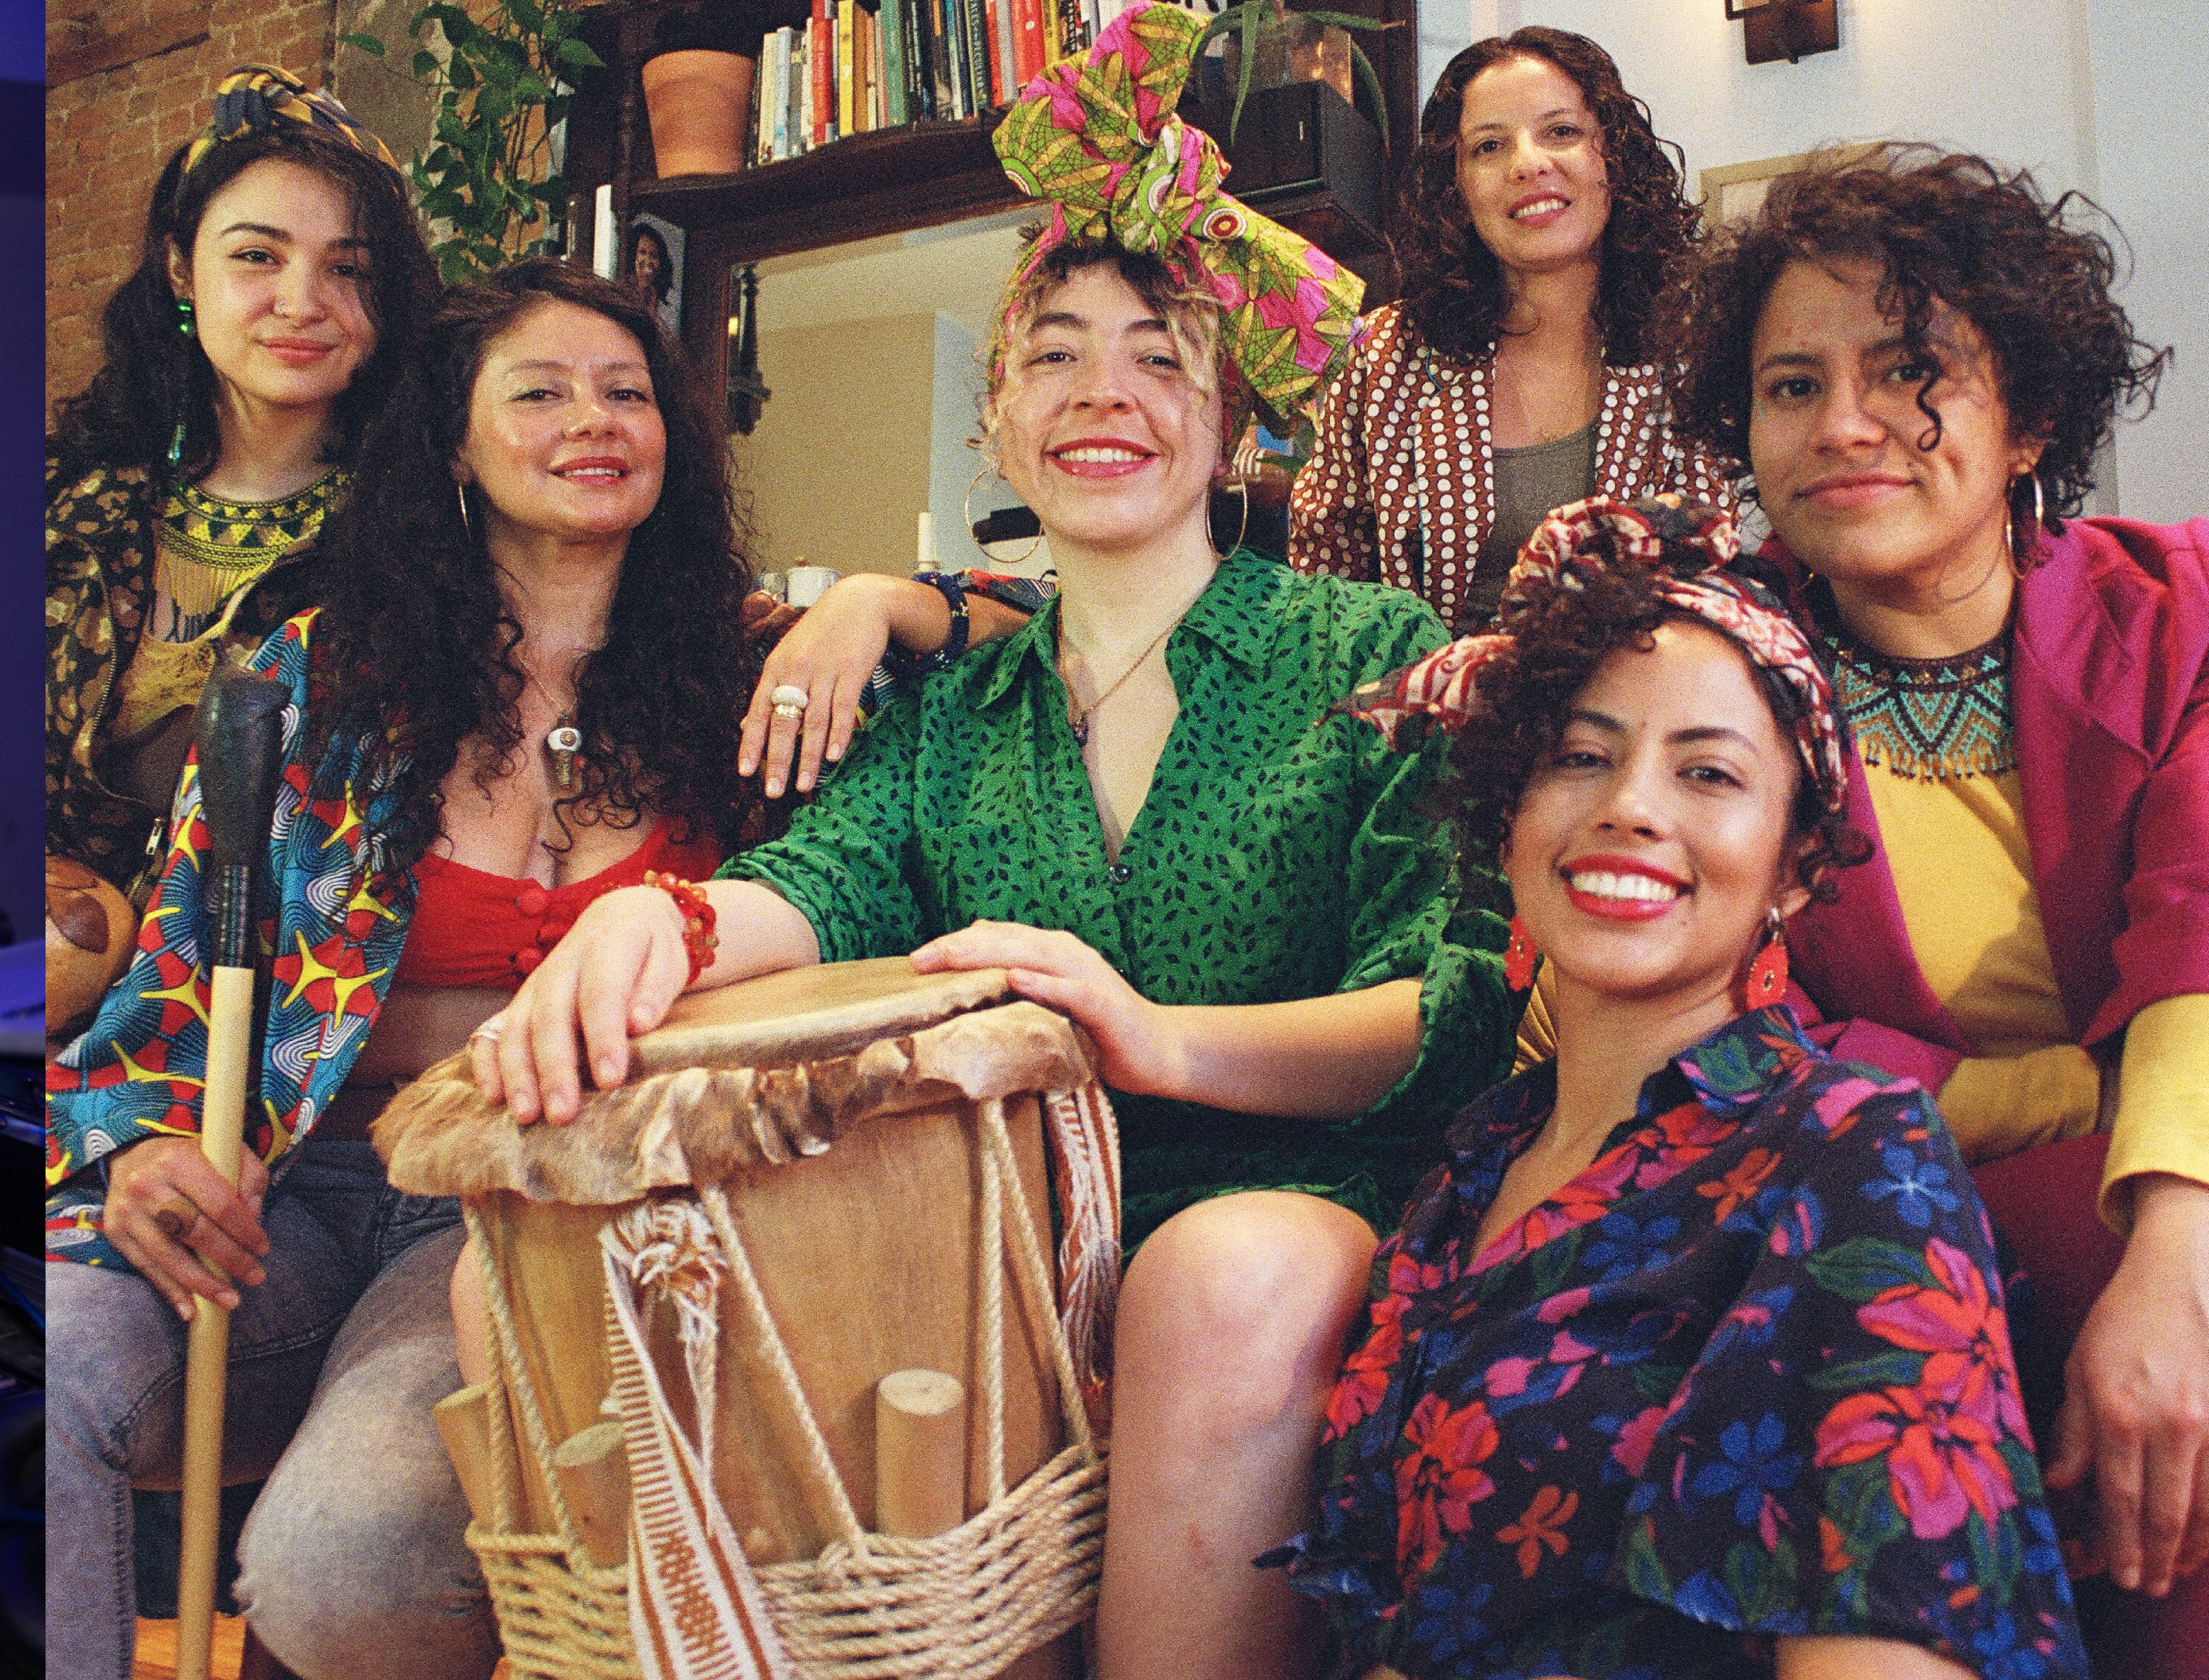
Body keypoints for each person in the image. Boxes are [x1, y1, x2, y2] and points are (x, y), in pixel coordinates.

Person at [473, 10, 1514, 1675]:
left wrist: (1157, 1040)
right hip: (986, 1225)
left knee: (1221, 1275)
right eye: (1054, 355)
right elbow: (810, 888)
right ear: (997, 432)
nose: (1106, 392)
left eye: (1160, 356)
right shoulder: (950, 716)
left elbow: (1451, 1011)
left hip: (1282, 1207)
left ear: (1230, 425)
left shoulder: (1358, 652)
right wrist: (651, 933)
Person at [46, 262, 811, 1680]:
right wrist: (147, 1144)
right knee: (31, 1371)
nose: (590, 418)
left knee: (336, 1566)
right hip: (275, 1182)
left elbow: (1033, 609)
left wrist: (891, 607)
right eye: (537, 391)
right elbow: (175, 977)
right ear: (454, 445)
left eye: (623, 391)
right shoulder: (309, 679)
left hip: (525, 1206)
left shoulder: (758, 680)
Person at [1286, 494, 2085, 1679]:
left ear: (1794, 868)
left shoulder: (1851, 1151)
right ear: (1505, 822)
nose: (1630, 808)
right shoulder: (1466, 1168)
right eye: (1579, 756)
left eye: (1707, 774)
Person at [1663, 147, 2208, 1672]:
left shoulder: (2175, 615)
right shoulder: (1701, 680)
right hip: (1870, 1222)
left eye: (1908, 372)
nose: (1840, 424)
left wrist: (2175, 1248)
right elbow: (1709, 1019)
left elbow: (2198, 921)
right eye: (1787, 385)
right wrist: (2046, 1097)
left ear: (2026, 412)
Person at [42, 66, 437, 899]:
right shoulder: (66, 502)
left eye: (347, 268)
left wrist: (797, 640)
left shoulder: (436, 519)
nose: (300, 302)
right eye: (257, 256)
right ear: (181, 269)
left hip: (301, 1003)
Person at [1286, 27, 1735, 631]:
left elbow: (1737, 568)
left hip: (1647, 703)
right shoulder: (1382, 358)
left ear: (1614, 157)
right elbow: (1326, 586)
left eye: (1562, 132)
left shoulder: (1697, 346)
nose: (1528, 164)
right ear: (1459, 186)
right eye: (1490, 146)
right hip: (1430, 707)